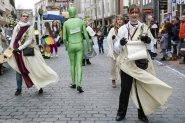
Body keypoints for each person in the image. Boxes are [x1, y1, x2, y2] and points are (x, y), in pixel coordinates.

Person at [114, 4, 172, 122]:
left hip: (141, 63)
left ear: (139, 14)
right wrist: (120, 43)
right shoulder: (122, 29)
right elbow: (116, 49)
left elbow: (152, 48)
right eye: (132, 12)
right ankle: (121, 113)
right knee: (125, 90)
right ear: (129, 14)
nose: (134, 14)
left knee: (141, 89)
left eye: (136, 12)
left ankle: (142, 114)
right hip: (126, 64)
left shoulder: (144, 27)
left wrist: (148, 41)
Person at [7, 12, 59, 96]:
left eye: (27, 16)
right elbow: (13, 38)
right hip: (17, 52)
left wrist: (19, 48)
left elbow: (29, 40)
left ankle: (40, 86)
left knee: (33, 69)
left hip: (26, 51)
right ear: (21, 17)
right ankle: (19, 88)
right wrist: (11, 48)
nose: (25, 17)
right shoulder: (17, 26)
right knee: (18, 70)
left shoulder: (30, 28)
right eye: (24, 16)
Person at [63, 7, 91, 93]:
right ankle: (79, 84)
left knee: (72, 65)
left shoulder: (66, 23)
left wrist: (66, 46)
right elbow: (86, 35)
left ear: (69, 13)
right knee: (79, 65)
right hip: (79, 44)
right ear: (75, 13)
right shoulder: (80, 21)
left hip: (71, 45)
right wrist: (89, 46)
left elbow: (64, 38)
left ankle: (73, 83)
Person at [107, 14, 124, 88]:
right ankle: (113, 80)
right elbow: (108, 39)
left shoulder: (125, 28)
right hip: (114, 51)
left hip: (122, 50)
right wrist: (112, 39)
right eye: (118, 19)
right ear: (116, 21)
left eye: (121, 19)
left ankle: (123, 80)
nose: (120, 21)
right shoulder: (112, 29)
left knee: (123, 66)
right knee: (113, 66)